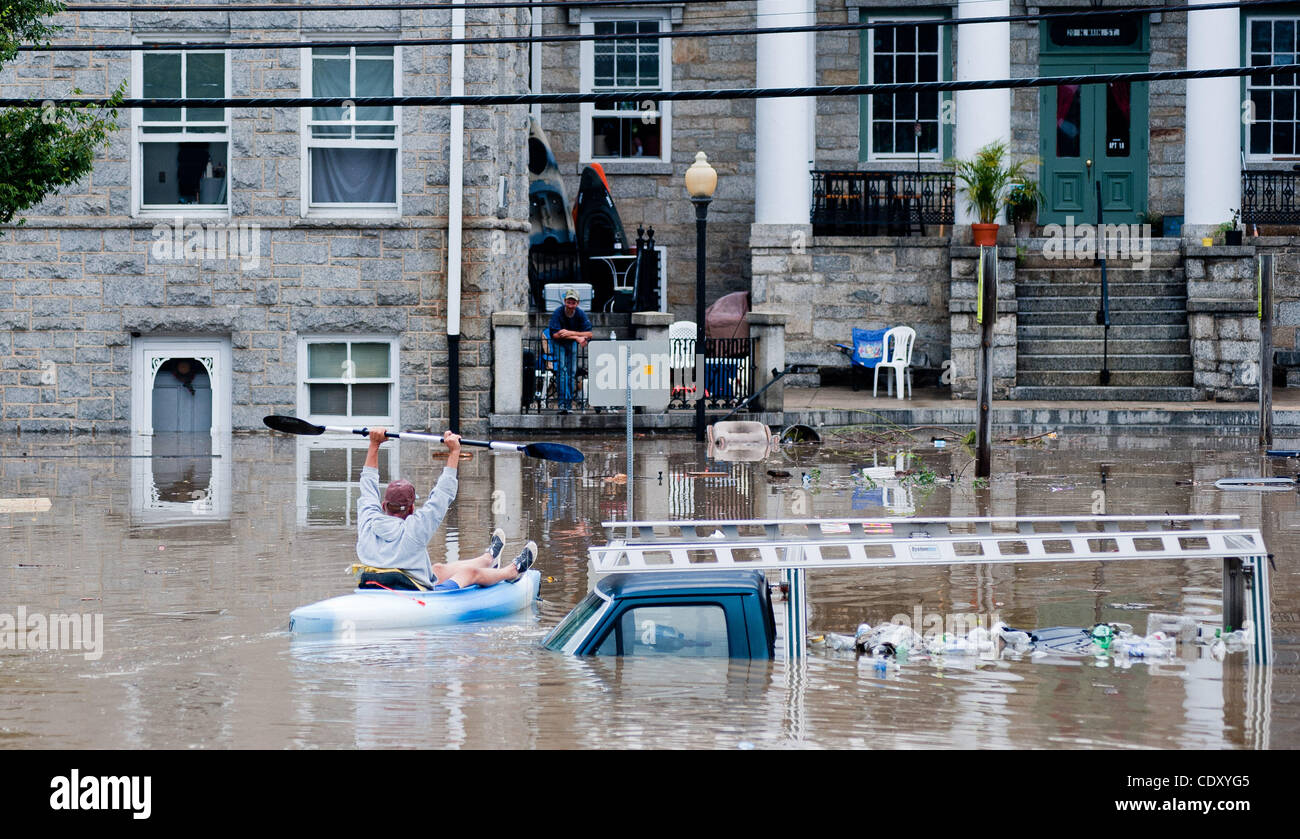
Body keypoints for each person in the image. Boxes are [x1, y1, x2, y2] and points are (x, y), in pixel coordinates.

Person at [351, 428, 536, 592]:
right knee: (469, 574)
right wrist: (454, 451)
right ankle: (512, 572)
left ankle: (488, 560)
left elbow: (368, 483)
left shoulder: (368, 520)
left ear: (383, 505)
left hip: (378, 583)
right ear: (412, 509)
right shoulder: (415, 528)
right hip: (412, 592)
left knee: (437, 568)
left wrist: (374, 444)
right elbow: (442, 494)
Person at [547, 288, 593, 414]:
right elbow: (555, 335)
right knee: (562, 371)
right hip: (559, 344)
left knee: (571, 373)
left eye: (573, 302)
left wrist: (570, 333)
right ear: (565, 301)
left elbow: (589, 333)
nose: (571, 305)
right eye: (568, 302)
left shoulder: (580, 313)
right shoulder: (558, 312)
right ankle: (562, 404)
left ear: (577, 303)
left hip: (571, 344)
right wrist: (577, 337)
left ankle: (569, 404)